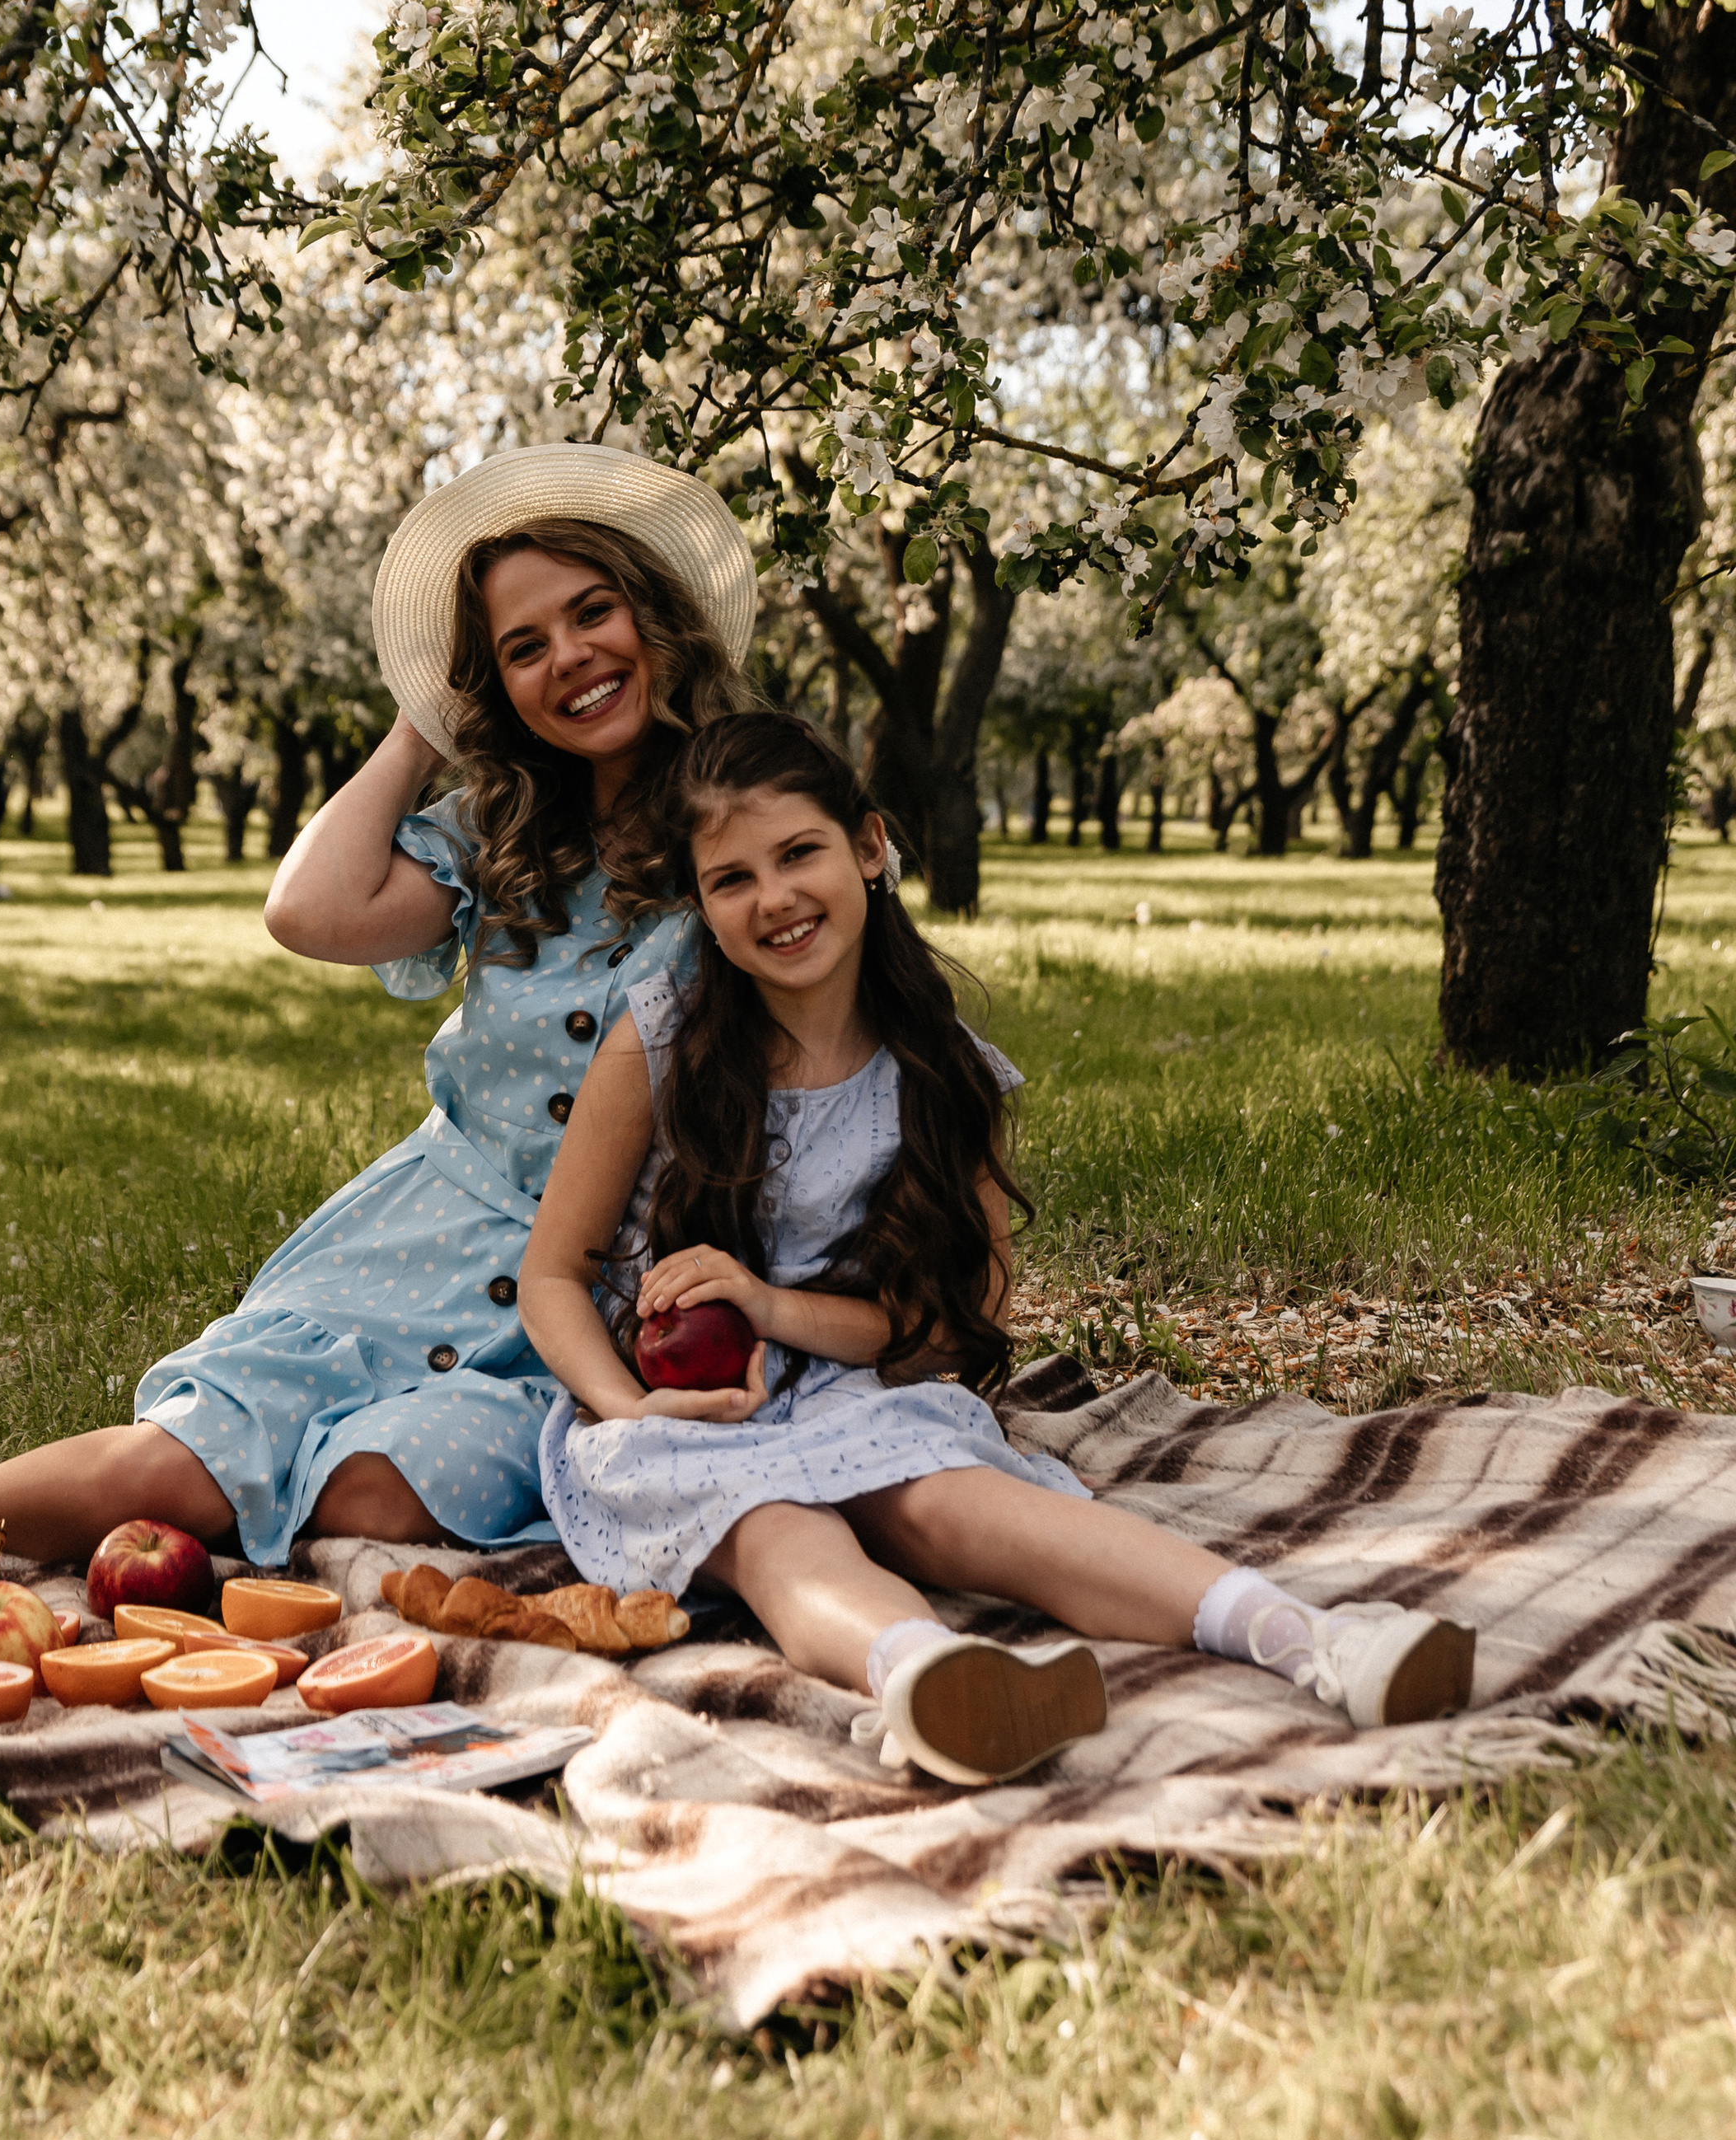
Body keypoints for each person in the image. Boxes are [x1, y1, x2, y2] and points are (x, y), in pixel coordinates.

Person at [519, 712, 1480, 1787]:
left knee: (959, 1501)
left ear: (870, 848)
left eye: (800, 853)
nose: (775, 897)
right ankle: (929, 1676)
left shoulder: (939, 1071)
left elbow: (934, 1329)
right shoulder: (664, 1037)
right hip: (683, 1413)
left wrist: (774, 1307)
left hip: (861, 1382)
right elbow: (551, 1274)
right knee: (779, 1530)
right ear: (700, 903)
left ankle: (1319, 1643)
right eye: (732, 877)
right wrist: (630, 1405)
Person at [0, 443, 756, 1565]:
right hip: (417, 1247)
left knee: (379, 1490)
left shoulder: (750, 821)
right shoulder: (504, 837)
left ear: (659, 614)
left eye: (596, 613)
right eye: (522, 649)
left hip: (592, 1300)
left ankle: (204, 1533)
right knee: (175, 1465)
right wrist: (423, 719)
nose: (572, 659)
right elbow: (309, 910)